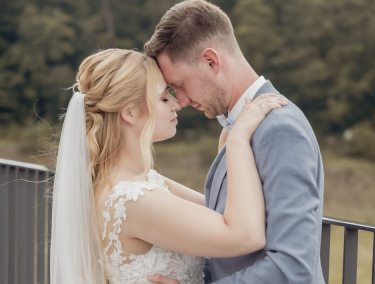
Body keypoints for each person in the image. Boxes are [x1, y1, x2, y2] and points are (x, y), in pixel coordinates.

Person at [49, 48, 288, 284]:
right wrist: (238, 142)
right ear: (130, 112)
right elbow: (246, 236)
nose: (176, 104)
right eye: (164, 97)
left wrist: (227, 146)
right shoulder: (133, 199)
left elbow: (219, 210)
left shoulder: (139, 181)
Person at [143, 0, 325, 283]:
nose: (182, 100)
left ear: (211, 61)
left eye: (179, 85)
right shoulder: (240, 127)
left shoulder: (279, 129)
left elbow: (293, 266)